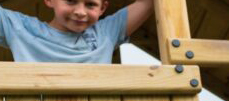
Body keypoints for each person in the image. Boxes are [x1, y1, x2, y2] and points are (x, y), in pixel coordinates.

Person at [0, 0, 154, 63]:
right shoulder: (21, 28)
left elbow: (147, 3)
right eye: (71, 0)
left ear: (103, 8)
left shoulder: (106, 33)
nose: (80, 11)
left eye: (90, 4)